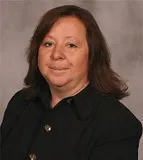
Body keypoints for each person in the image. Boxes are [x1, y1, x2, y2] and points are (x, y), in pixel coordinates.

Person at [1, 5, 142, 160]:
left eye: (71, 45)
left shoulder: (118, 124)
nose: (56, 55)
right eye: (48, 44)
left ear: (92, 55)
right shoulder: (21, 103)